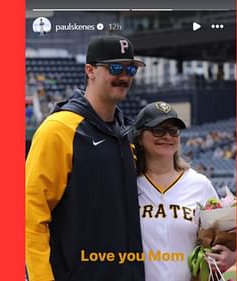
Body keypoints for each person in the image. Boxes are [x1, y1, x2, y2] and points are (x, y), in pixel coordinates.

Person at [25, 35, 146, 281]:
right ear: (89, 70)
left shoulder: (127, 134)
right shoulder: (59, 129)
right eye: (114, 68)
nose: (124, 76)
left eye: (130, 68)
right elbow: (31, 216)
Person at [131, 101, 236, 281]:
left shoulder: (199, 184)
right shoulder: (129, 185)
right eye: (158, 130)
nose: (167, 136)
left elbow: (225, 236)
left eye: (174, 131)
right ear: (140, 137)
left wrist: (232, 255)